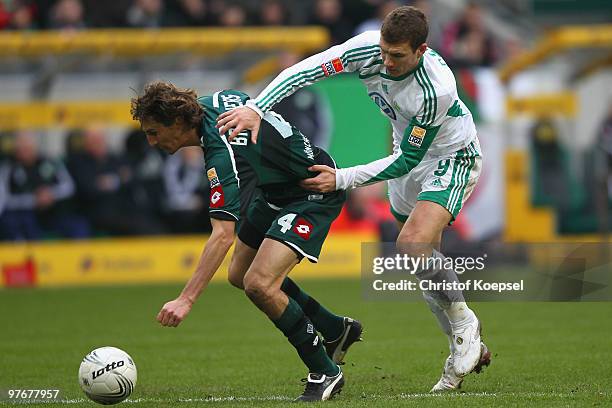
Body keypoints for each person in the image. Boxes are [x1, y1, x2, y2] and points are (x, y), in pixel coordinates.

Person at [216, 5, 490, 392]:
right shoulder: (366, 50)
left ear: (421, 51)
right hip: (407, 156)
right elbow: (304, 71)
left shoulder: (437, 89)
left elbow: (407, 159)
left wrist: (341, 178)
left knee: (412, 245)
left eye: (397, 56)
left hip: (451, 156)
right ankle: (466, 342)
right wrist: (255, 107)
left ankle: (465, 328)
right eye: (384, 51)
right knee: (425, 262)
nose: (387, 62)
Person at [130, 81, 363, 402]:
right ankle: (335, 328)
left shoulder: (220, 149)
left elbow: (222, 234)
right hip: (276, 190)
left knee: (259, 284)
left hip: (312, 190)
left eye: (154, 132)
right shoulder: (212, 105)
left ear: (179, 123)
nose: (152, 142)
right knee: (240, 274)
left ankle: (325, 371)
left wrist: (186, 300)